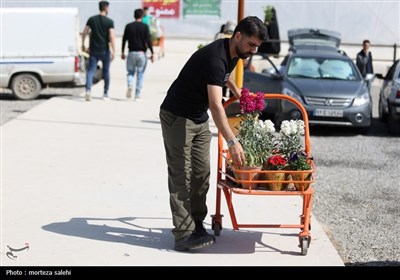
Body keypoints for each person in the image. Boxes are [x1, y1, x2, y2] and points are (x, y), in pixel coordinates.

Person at [159, 16, 268, 251]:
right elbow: (216, 104)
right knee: (181, 176)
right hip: (177, 116)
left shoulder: (234, 54)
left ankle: (197, 224)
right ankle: (183, 235)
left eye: (256, 47)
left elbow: (224, 78)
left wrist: (239, 94)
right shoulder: (214, 57)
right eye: (251, 44)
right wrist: (232, 141)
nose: (253, 50)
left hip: (198, 118)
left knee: (201, 174)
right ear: (238, 36)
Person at [81, 1, 116, 101]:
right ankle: (105, 93)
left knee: (91, 71)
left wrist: (83, 45)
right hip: (105, 50)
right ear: (106, 8)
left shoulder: (92, 19)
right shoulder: (109, 21)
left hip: (93, 50)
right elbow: (112, 36)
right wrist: (113, 50)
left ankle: (88, 91)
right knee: (106, 72)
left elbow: (84, 32)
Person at [121, 9, 154, 101]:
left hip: (131, 53)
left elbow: (124, 40)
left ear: (134, 16)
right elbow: (148, 41)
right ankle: (137, 95)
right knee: (140, 74)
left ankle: (130, 84)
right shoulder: (145, 27)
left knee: (130, 72)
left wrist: (122, 52)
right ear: (142, 16)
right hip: (141, 53)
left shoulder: (128, 26)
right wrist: (152, 52)